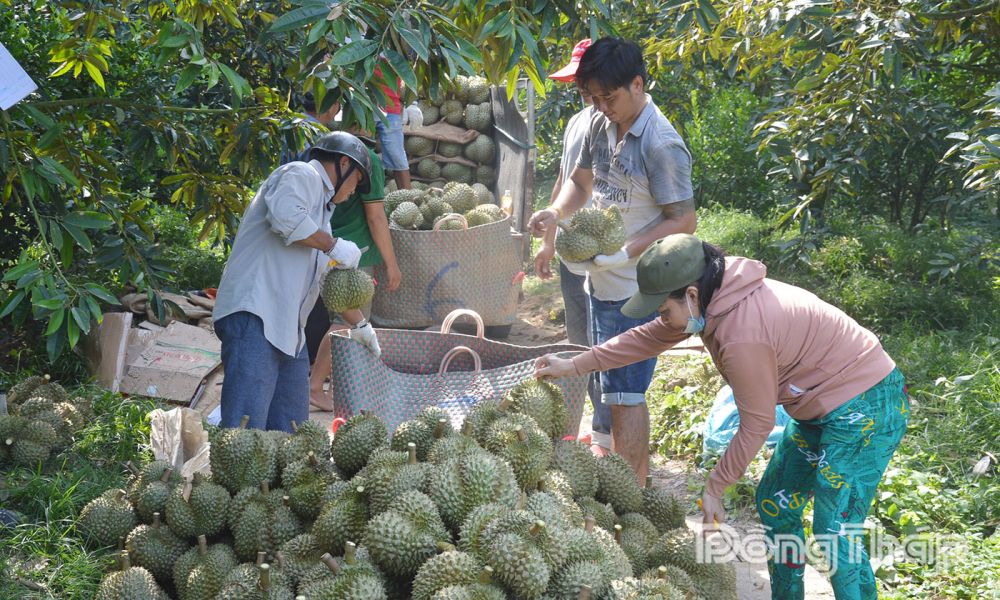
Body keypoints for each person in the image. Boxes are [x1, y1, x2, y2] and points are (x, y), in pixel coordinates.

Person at [535, 233, 910, 600]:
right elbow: (646, 338)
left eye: (664, 310)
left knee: (834, 531)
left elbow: (758, 424)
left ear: (691, 295)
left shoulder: (741, 334)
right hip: (816, 406)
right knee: (775, 504)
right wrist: (574, 365)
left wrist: (715, 488)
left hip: (865, 404)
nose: (663, 319)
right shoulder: (716, 296)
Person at [527, 37, 696, 479]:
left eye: (609, 97)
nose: (601, 107)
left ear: (637, 84)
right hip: (601, 282)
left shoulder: (661, 144)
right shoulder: (599, 124)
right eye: (594, 98)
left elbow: (684, 220)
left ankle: (633, 488)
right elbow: (580, 183)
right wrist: (556, 213)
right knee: (611, 388)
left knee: (626, 394)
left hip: (639, 289)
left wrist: (626, 250)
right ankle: (620, 477)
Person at [213, 132, 382, 432]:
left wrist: (360, 325)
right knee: (245, 432)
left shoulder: (322, 216)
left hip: (288, 331)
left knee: (292, 430)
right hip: (255, 316)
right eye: (356, 181)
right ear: (343, 164)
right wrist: (333, 245)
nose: (354, 191)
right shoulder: (301, 174)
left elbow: (327, 279)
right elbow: (285, 217)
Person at [533, 38, 604, 455]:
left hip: (604, 259)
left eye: (586, 80)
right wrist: (549, 240)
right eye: (578, 82)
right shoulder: (578, 122)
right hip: (571, 256)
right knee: (579, 345)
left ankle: (607, 435)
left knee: (605, 346)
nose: (582, 89)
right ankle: (590, 427)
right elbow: (566, 182)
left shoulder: (616, 126)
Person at [305, 128, 402, 410]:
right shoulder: (366, 159)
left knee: (344, 320)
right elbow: (375, 216)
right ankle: (315, 386)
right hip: (353, 251)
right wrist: (392, 264)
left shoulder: (329, 156)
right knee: (346, 323)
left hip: (328, 246)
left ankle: (334, 386)